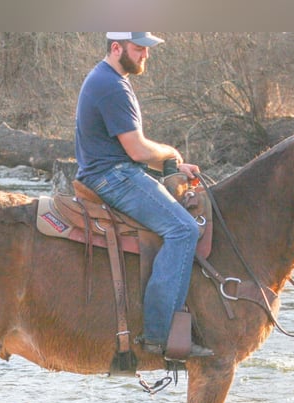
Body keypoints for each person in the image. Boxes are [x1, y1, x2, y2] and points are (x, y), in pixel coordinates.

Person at [75, 32, 213, 359]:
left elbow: (129, 150)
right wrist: (172, 155)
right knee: (184, 230)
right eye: (139, 49)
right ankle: (159, 335)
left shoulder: (108, 78)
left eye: (146, 50)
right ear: (116, 47)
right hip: (113, 177)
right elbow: (136, 150)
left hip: (114, 170)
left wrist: (171, 165)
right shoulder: (111, 86)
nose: (144, 56)